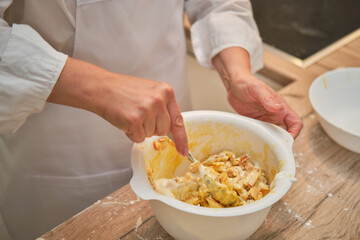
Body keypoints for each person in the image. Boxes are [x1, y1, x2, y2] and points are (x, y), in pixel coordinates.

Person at [0, 1, 302, 239]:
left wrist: (237, 74)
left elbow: (217, 3)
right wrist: (101, 87)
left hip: (170, 122)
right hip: (63, 155)